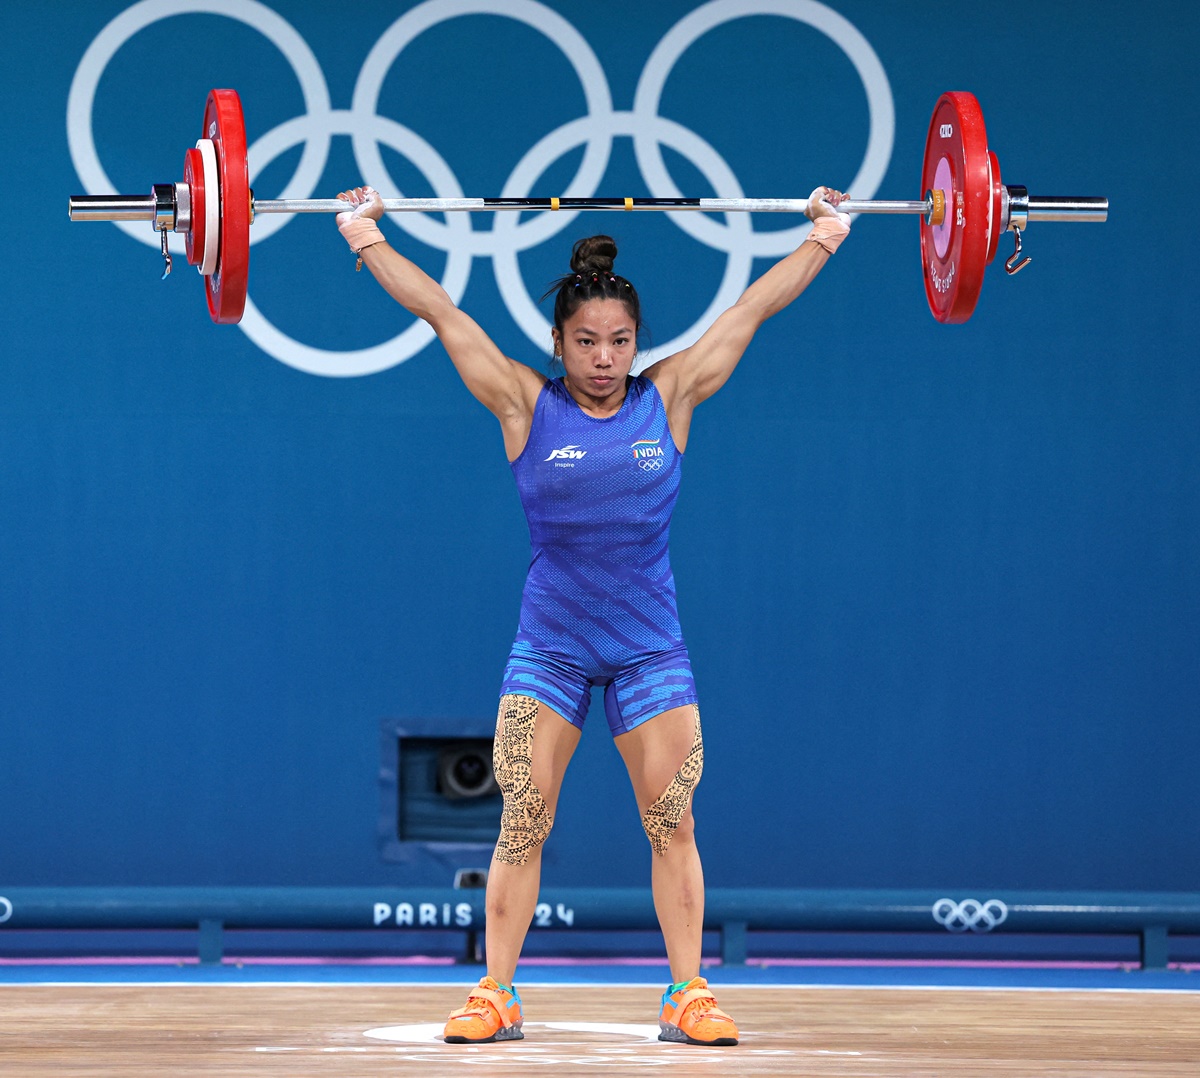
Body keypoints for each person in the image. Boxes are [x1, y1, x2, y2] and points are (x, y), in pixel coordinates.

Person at [335, 185, 850, 1047]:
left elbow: (754, 305)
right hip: (553, 647)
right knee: (523, 814)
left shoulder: (671, 395)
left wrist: (824, 239)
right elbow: (440, 311)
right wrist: (363, 238)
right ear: (559, 343)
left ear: (636, 342)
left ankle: (687, 992)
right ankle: (495, 993)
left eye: (619, 341)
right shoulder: (524, 405)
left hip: (649, 647)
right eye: (586, 342)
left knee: (673, 818)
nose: (604, 358)